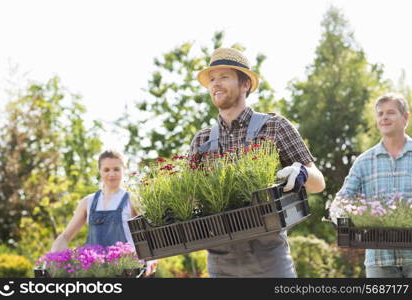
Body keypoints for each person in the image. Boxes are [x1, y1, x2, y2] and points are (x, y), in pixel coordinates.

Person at [189, 48, 325, 277]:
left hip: (269, 260)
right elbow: (190, 198)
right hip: (220, 262)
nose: (216, 84)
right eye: (212, 79)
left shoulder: (275, 126)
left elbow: (318, 183)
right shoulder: (201, 140)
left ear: (245, 85)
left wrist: (301, 171)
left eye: (224, 77)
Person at [331, 94, 412, 278]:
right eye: (380, 113)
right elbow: (341, 200)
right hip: (379, 262)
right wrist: (342, 218)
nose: (384, 117)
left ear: (405, 118)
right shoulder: (364, 161)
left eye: (391, 112)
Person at [51, 149, 157, 276]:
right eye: (106, 170)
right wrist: (52, 259)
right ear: (100, 171)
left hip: (127, 270)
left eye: (116, 169)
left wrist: (151, 261)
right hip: (94, 271)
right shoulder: (88, 202)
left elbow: (151, 233)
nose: (111, 174)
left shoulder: (131, 199)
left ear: (124, 169)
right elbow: (65, 236)